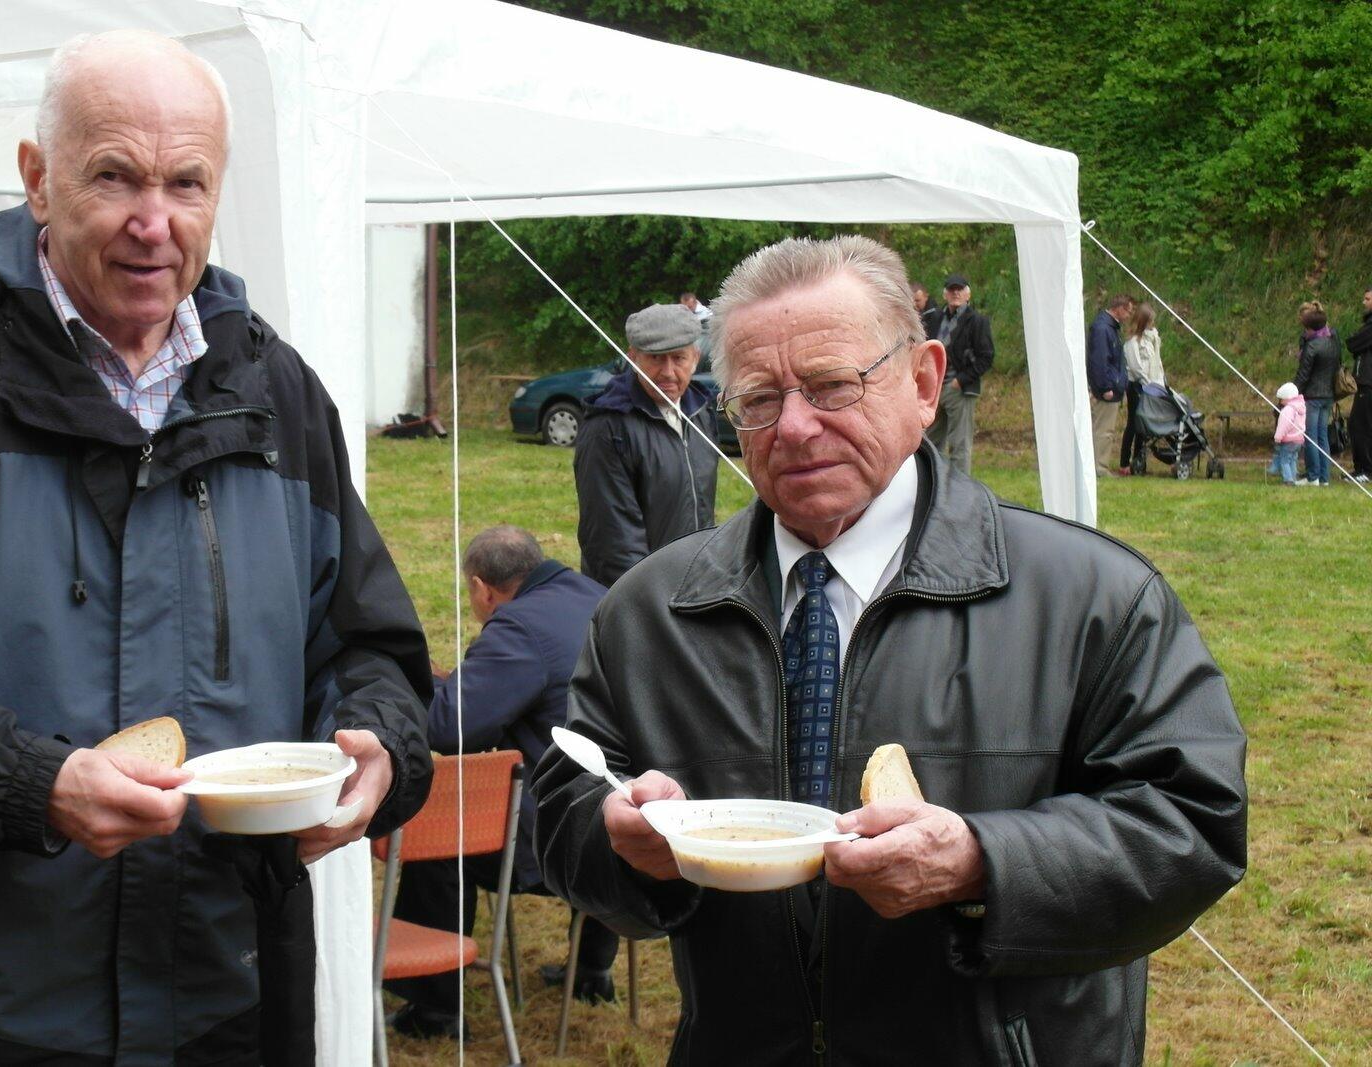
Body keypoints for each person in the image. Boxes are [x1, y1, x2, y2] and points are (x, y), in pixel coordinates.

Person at [0, 31, 434, 1064]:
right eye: (115, 175)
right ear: (38, 179)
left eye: (186, 182)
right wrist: (25, 782)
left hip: (231, 999)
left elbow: (368, 642)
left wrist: (380, 744)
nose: (152, 221)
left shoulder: (278, 392)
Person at [533, 235, 1247, 1065]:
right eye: (758, 399)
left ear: (924, 382)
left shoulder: (1091, 596)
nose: (794, 426)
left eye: (832, 386)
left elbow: (1192, 822)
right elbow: (566, 809)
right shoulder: (650, 611)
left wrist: (982, 861)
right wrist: (621, 841)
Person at [384, 526, 615, 1037]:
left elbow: (450, 729)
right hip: (624, 815)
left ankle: (436, 1011)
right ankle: (592, 970)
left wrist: (421, 682)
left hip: (563, 836)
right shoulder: (596, 595)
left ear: (481, 588)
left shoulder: (519, 628)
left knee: (440, 842)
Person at [574, 303, 719, 586]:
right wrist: (650, 602)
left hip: (692, 585)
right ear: (633, 358)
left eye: (679, 358)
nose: (668, 372)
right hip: (638, 594)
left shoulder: (700, 412)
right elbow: (613, 543)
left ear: (695, 357)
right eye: (655, 358)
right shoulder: (608, 426)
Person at [921, 273, 995, 475]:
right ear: (945, 294)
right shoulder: (935, 318)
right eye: (952, 290)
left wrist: (961, 381)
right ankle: (933, 483)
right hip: (935, 388)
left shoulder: (977, 321)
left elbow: (986, 357)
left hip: (959, 390)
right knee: (929, 442)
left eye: (960, 290)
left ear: (967, 294)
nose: (956, 294)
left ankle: (960, 488)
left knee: (959, 444)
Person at [1293, 301, 1341, 486]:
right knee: (1322, 437)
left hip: (1313, 396)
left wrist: (1293, 393)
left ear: (1310, 328)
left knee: (1310, 437)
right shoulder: (1332, 343)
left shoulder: (1311, 346)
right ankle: (1324, 477)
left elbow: (1303, 375)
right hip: (1328, 396)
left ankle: (1313, 476)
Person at [1087, 293, 1134, 475]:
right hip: (1106, 389)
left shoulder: (1110, 328)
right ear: (1119, 309)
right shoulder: (1103, 329)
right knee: (1103, 430)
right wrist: (1105, 387)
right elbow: (1099, 361)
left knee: (1105, 429)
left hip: (1112, 386)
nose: (1129, 316)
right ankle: (1099, 467)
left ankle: (1098, 466)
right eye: (1128, 311)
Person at [1119, 302, 1165, 474]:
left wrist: (1159, 383)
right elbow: (1136, 367)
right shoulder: (1132, 343)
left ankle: (1138, 460)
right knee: (1133, 423)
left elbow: (1156, 363)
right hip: (1137, 386)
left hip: (1150, 386)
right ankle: (1124, 462)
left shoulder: (1150, 340)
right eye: (1150, 321)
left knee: (1143, 425)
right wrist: (1148, 384)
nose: (1152, 325)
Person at [1342, 286, 1372, 482]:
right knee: (1359, 424)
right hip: (1365, 382)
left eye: (1368, 299)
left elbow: (1353, 343)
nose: (1364, 302)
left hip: (1368, 383)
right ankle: (1362, 467)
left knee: (1360, 425)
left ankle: (1365, 469)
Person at [1270, 382, 1307, 485]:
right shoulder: (1301, 408)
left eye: (1281, 399)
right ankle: (1293, 477)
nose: (1280, 402)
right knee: (1293, 460)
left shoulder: (1288, 410)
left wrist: (1278, 437)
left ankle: (1288, 480)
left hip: (1288, 440)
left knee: (1285, 460)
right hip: (1299, 440)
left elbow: (1283, 426)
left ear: (1287, 398)